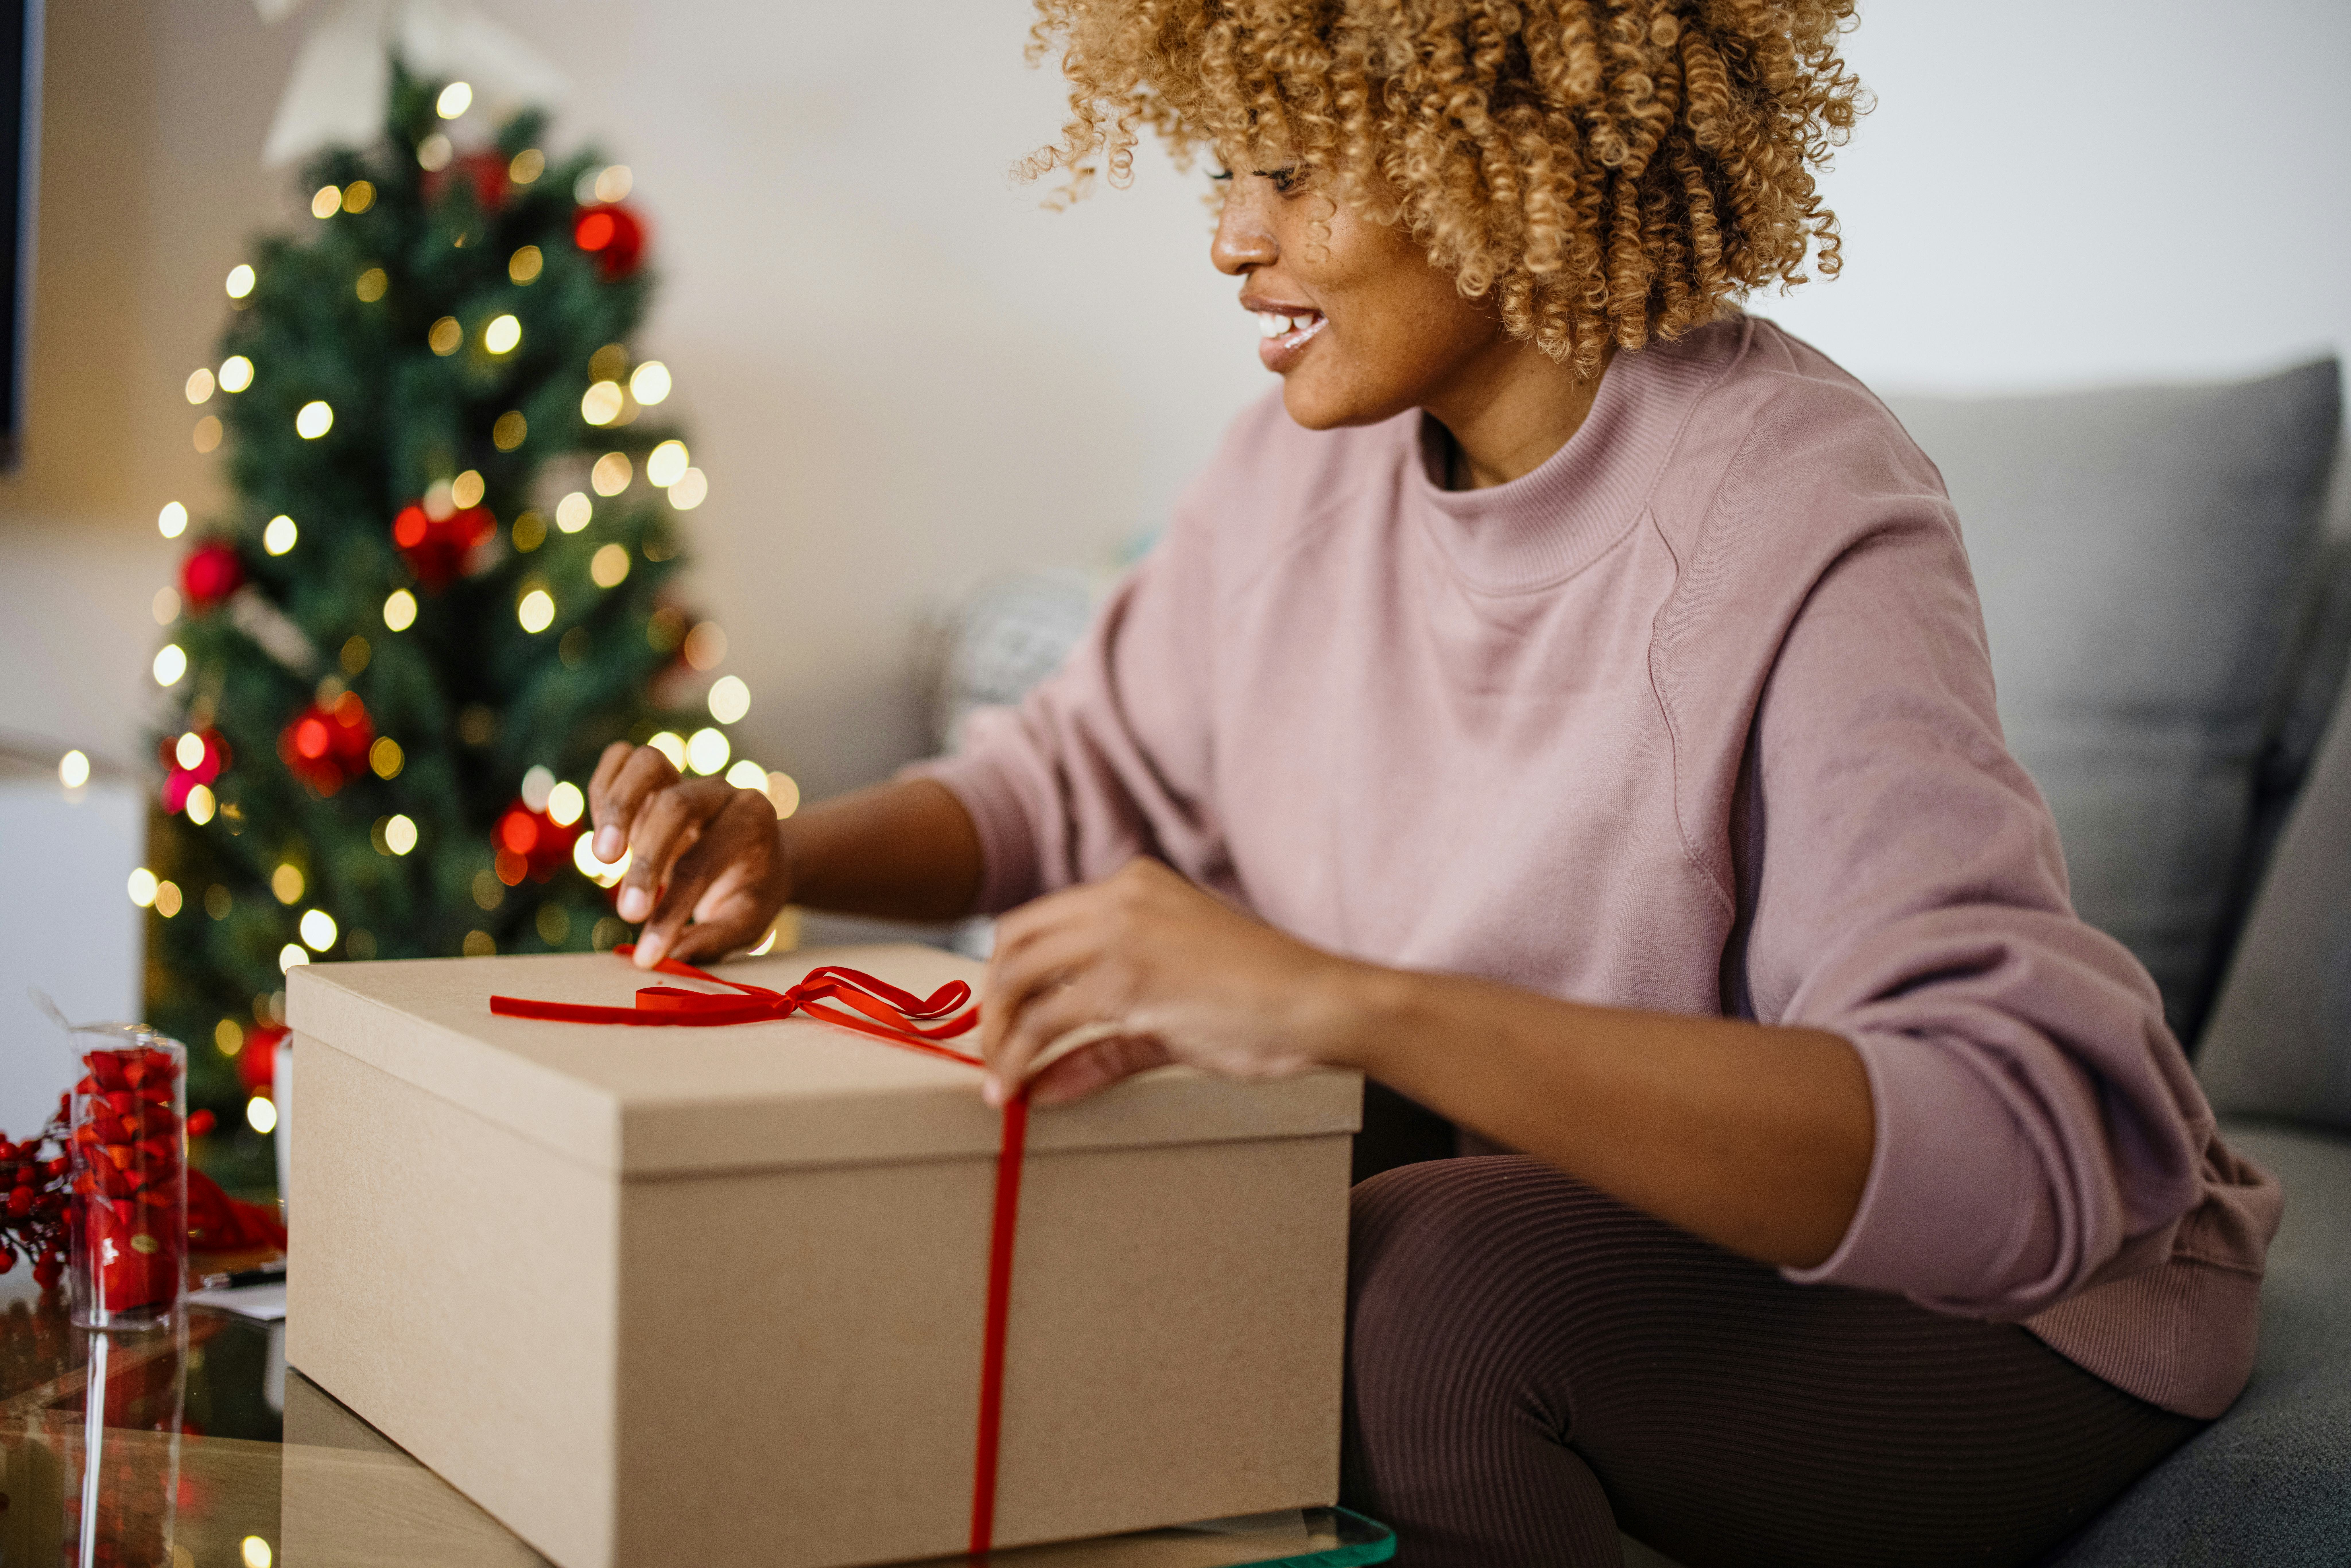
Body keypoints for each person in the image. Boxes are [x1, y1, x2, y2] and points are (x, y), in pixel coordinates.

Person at [585, 3, 2281, 1564]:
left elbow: (2007, 1147)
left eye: (1298, 167)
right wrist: (783, 839)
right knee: (1220, 1160)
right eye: (1228, 163)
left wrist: (1343, 1000)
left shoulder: (1796, 503)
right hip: (1619, 1216)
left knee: (1431, 1290)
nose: (1233, 236)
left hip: (2028, 1305)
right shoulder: (1299, 464)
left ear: (1517, 143)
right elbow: (1070, 774)